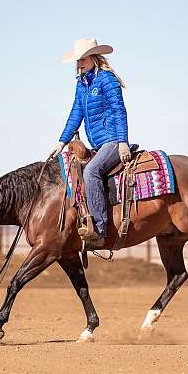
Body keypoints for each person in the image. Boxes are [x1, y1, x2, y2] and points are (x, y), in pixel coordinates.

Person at [50, 39, 130, 248]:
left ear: (94, 58)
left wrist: (122, 141)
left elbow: (119, 110)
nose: (79, 64)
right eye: (78, 60)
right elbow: (76, 113)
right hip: (97, 144)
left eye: (83, 59)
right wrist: (62, 141)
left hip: (112, 140)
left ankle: (100, 229)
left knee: (91, 171)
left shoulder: (107, 80)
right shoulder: (82, 84)